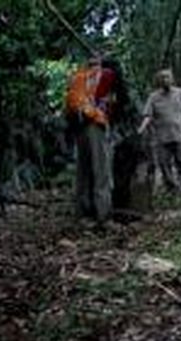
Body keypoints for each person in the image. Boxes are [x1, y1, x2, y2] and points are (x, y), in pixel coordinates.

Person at [65, 54, 118, 223]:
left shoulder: (76, 78)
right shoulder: (100, 75)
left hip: (79, 126)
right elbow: (112, 76)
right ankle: (103, 214)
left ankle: (82, 211)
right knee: (101, 169)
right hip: (95, 123)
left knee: (83, 170)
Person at [138, 69, 181, 195]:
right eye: (162, 78)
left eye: (168, 77)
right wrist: (141, 128)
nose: (165, 80)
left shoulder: (180, 93)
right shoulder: (153, 97)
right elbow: (148, 115)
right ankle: (172, 189)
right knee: (164, 165)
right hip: (162, 137)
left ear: (172, 79)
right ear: (158, 81)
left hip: (179, 134)